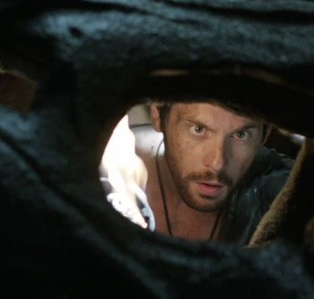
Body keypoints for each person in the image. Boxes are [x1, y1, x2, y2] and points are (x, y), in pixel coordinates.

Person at [126, 101, 294, 245]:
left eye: (240, 135)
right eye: (198, 129)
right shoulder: (116, 169)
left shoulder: (282, 188)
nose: (217, 164)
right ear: (158, 115)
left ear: (264, 134)